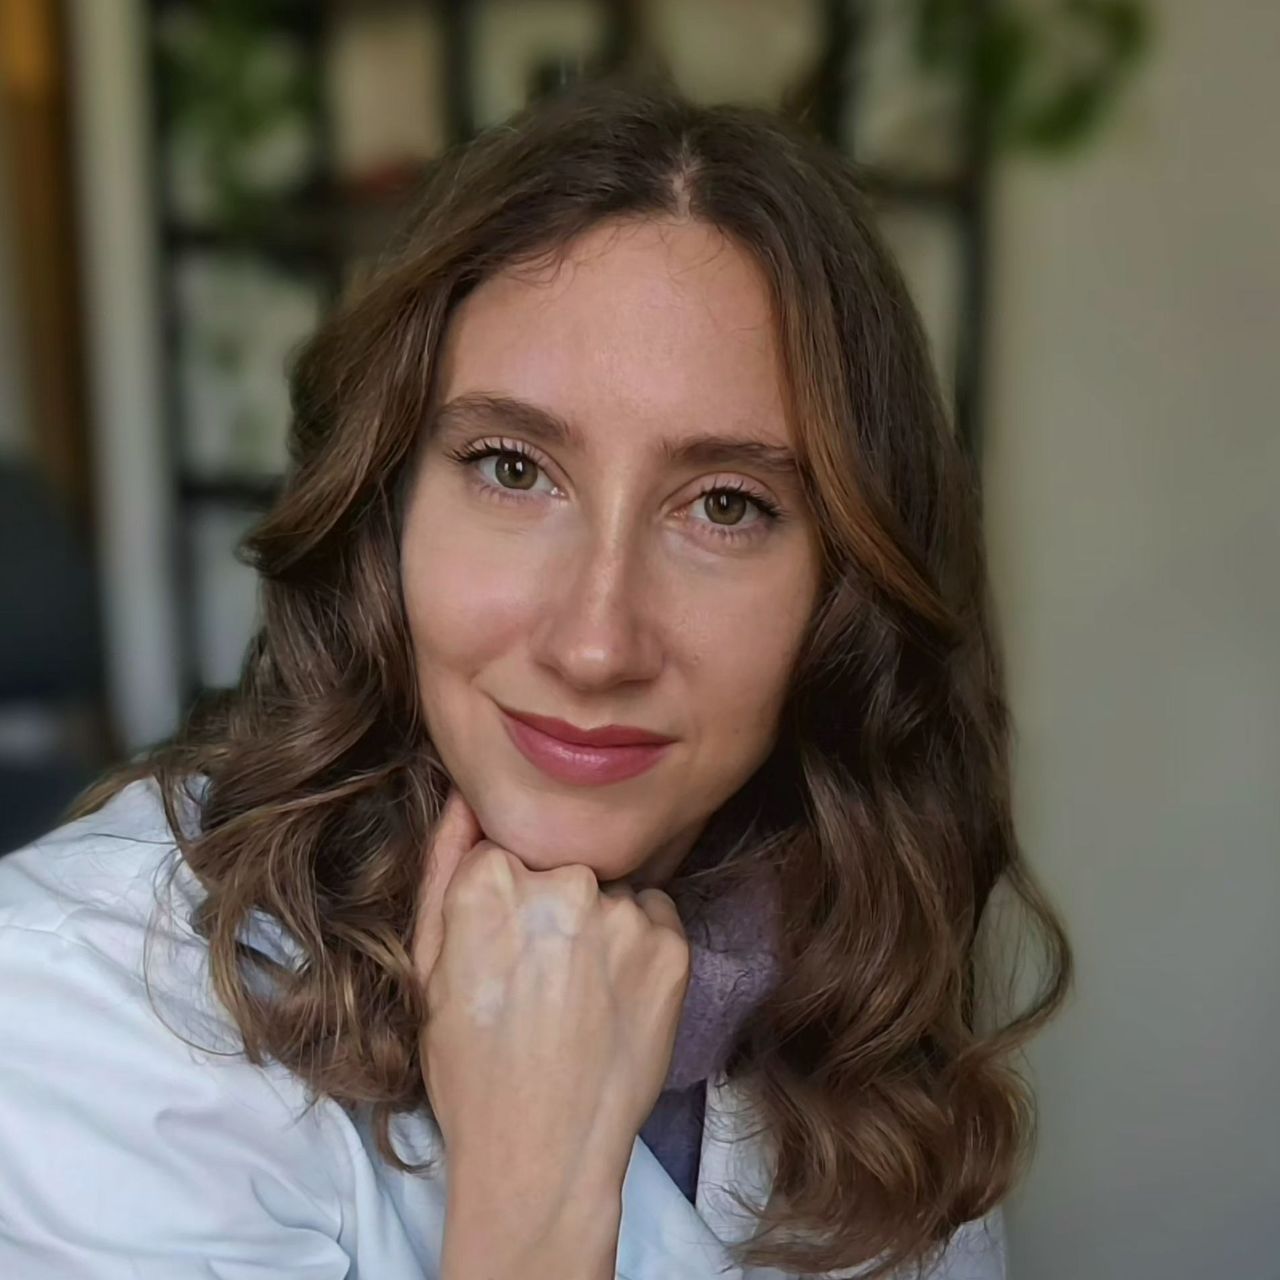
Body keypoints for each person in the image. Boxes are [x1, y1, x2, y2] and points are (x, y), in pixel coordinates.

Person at [0, 78, 1071, 1279]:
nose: (595, 643)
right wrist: (534, 1200)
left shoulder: (855, 981)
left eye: (725, 505)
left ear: (844, 590)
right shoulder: (77, 1004)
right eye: (513, 468)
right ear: (386, 507)